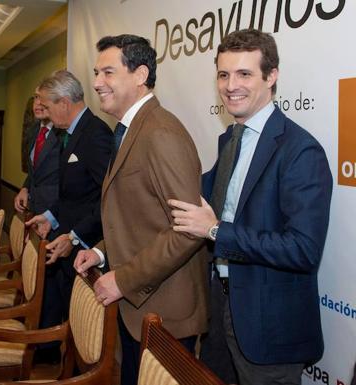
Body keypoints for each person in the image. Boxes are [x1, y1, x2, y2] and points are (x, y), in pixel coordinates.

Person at [168, 29, 332, 385]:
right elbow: (201, 198)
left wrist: (215, 231)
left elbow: (303, 249)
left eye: (244, 74)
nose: (231, 86)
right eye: (224, 75)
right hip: (219, 311)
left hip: (268, 330)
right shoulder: (230, 138)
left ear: (271, 76)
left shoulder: (300, 150)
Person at [73, 34, 209, 385]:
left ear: (140, 74)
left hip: (166, 313)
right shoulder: (130, 130)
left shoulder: (161, 132)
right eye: (96, 73)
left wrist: (123, 279)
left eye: (107, 72)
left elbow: (186, 230)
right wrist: (101, 254)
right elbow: (135, 217)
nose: (97, 83)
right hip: (140, 309)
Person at [26, 70, 112, 335]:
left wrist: (74, 236)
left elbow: (107, 199)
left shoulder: (95, 134)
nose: (47, 114)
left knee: (81, 331)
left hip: (85, 246)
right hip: (68, 243)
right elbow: (72, 194)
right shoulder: (70, 133)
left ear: (64, 102)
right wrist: (50, 216)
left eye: (48, 107)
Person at [14, 87, 59, 216]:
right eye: (36, 97)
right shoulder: (33, 131)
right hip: (34, 209)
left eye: (43, 98)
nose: (38, 103)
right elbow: (36, 171)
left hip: (55, 214)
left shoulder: (64, 133)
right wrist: (25, 188)